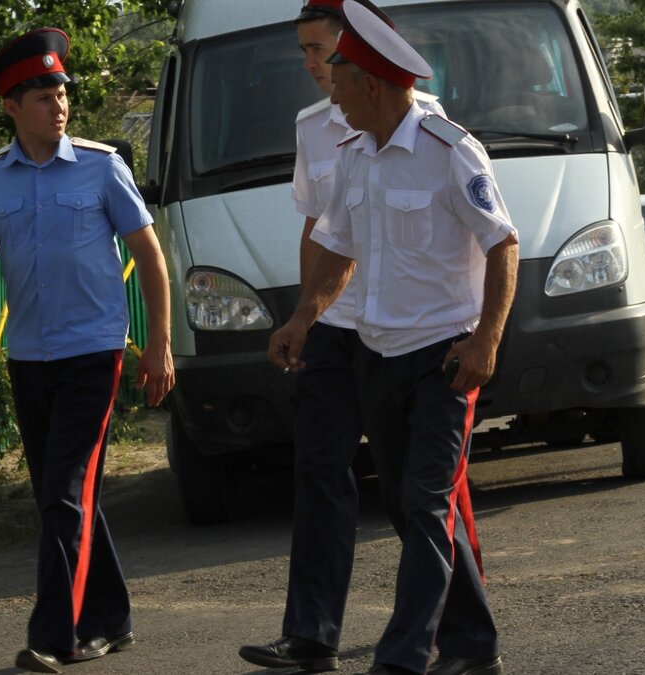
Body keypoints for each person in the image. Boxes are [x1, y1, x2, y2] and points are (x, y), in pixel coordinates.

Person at [268, 3, 518, 674]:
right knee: (414, 512)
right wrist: (302, 319)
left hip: (444, 359)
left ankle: (403, 655)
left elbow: (503, 244)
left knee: (425, 501)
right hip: (379, 359)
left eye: (340, 80)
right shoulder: (356, 155)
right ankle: (473, 644)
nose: (332, 92)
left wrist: (486, 342)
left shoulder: (448, 150)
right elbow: (339, 253)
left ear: (372, 85)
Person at [0, 27, 174, 674]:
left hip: (94, 352)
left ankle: (56, 634)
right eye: (40, 95)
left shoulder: (101, 165)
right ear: (11, 106)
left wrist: (158, 347)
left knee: (65, 491)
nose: (57, 103)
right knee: (63, 495)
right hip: (30, 356)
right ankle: (112, 616)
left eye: (61, 91)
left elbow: (149, 257)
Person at [238, 1, 444, 672]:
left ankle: (450, 627)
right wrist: (304, 317)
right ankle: (311, 635)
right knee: (320, 469)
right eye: (302, 51)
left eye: (320, 49)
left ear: (360, 51)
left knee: (424, 490)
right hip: (336, 324)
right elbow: (318, 229)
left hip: (407, 332)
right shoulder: (311, 129)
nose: (312, 64)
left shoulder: (430, 119)